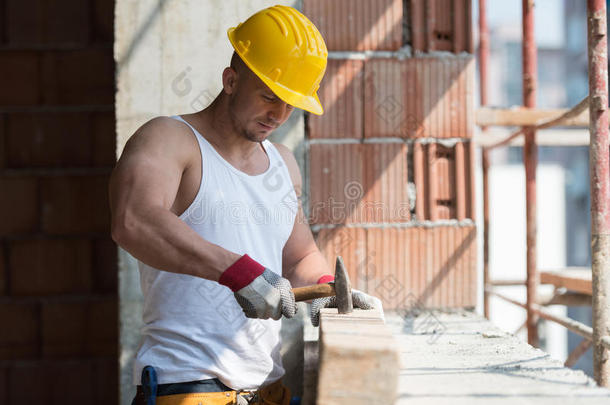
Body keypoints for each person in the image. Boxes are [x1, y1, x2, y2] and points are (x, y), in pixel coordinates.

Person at [110, 5, 381, 404]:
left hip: (267, 390)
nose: (279, 114)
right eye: (270, 96)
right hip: (187, 386)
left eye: (292, 103)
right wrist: (238, 273)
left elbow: (299, 253)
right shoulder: (169, 139)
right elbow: (133, 221)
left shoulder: (283, 163)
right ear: (231, 79)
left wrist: (325, 291)